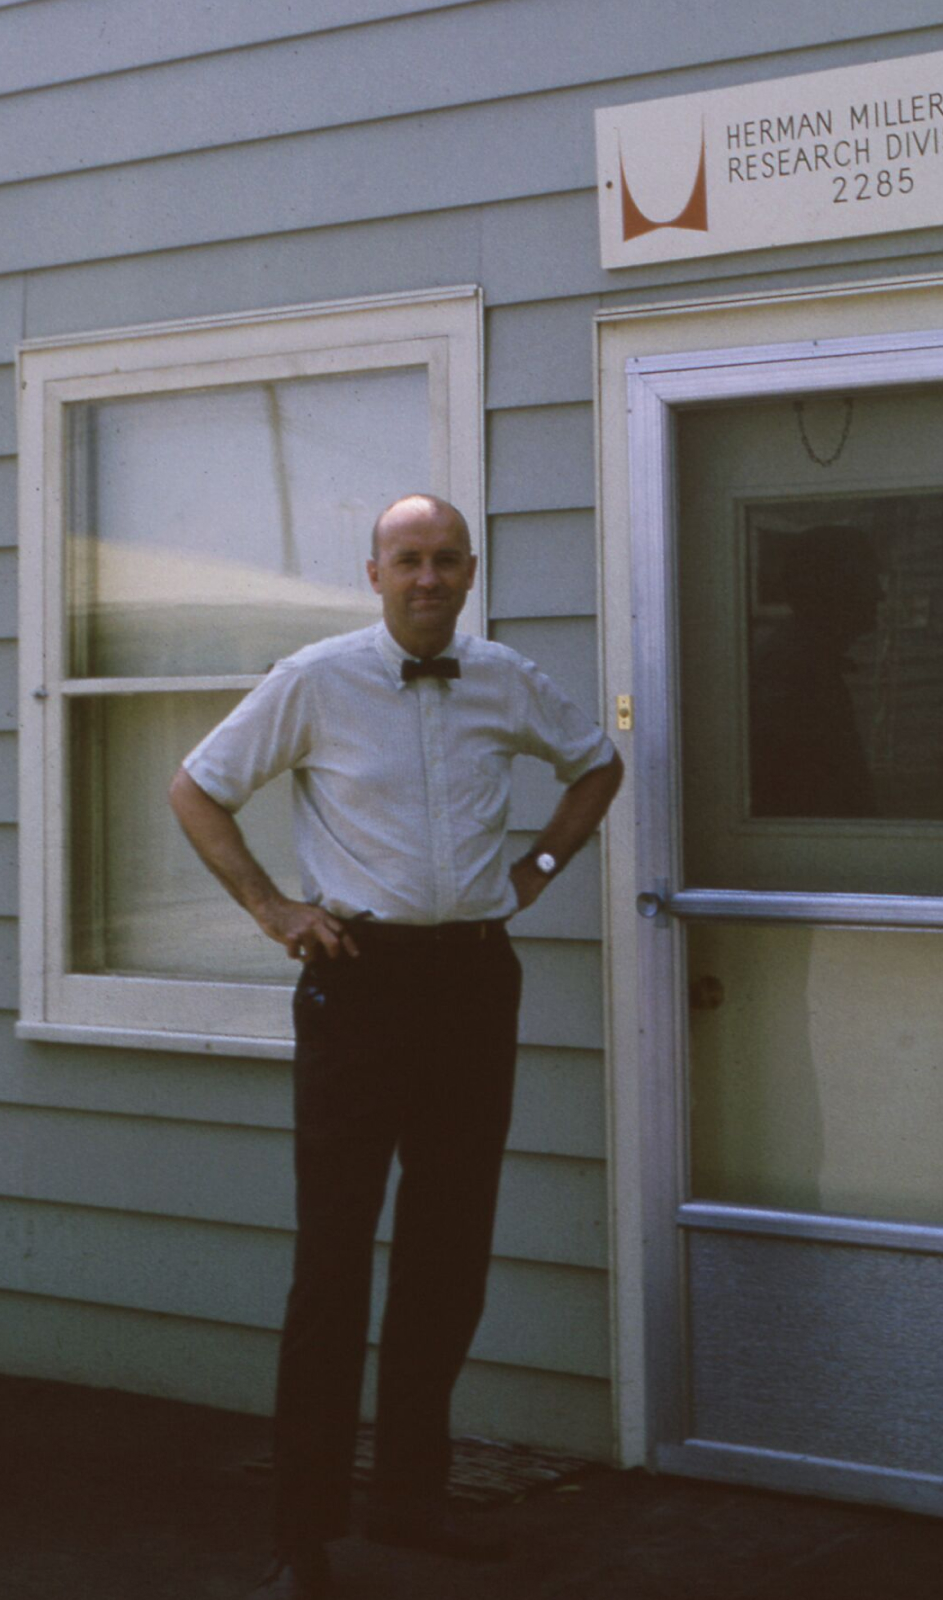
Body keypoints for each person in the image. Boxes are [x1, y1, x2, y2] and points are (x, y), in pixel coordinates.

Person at [167, 493, 623, 1599]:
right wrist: (276, 911)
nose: (428, 577)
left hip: (471, 980)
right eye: (408, 559)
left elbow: (595, 764)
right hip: (359, 988)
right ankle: (302, 1534)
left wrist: (538, 873)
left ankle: (411, 1501)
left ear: (471, 574)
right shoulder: (315, 680)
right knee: (332, 1264)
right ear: (373, 572)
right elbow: (196, 789)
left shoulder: (506, 678)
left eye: (447, 561)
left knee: (447, 1251)